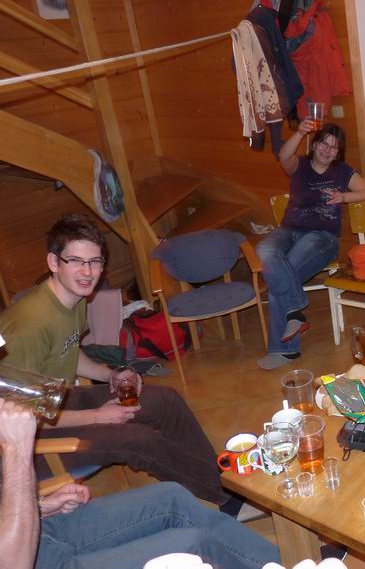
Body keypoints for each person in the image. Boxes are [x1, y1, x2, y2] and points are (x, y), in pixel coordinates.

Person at [0, 214, 235, 511]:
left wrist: (109, 374)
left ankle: (225, 480)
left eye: (95, 261)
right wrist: (97, 416)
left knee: (165, 400)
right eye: (76, 261)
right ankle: (229, 499)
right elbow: (23, 415)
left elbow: (68, 351)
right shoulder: (29, 326)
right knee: (140, 439)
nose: (87, 272)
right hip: (26, 439)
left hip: (56, 400)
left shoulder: (72, 297)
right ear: (54, 262)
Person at [0, 398, 281, 569]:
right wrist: (17, 450)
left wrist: (41, 505)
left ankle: (280, 563)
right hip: (30, 558)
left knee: (172, 497)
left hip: (39, 530)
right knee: (192, 544)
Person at [256, 121, 365, 370]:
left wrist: (344, 197)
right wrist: (300, 131)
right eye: (324, 143)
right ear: (315, 143)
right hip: (288, 231)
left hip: (322, 237)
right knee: (264, 251)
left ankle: (284, 350)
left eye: (334, 147)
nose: (327, 150)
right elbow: (283, 155)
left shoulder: (342, 171)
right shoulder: (299, 166)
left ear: (338, 152)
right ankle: (295, 314)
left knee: (280, 276)